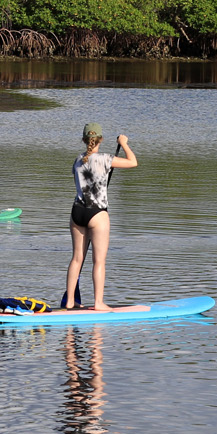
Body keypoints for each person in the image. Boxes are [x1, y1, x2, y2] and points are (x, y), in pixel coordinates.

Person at [62, 123, 137, 310]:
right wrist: (124, 143)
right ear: (100, 140)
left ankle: (70, 302)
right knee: (99, 261)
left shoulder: (78, 160)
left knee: (77, 259)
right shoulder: (106, 159)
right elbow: (133, 162)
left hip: (77, 211)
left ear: (84, 139)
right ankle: (98, 303)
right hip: (97, 213)